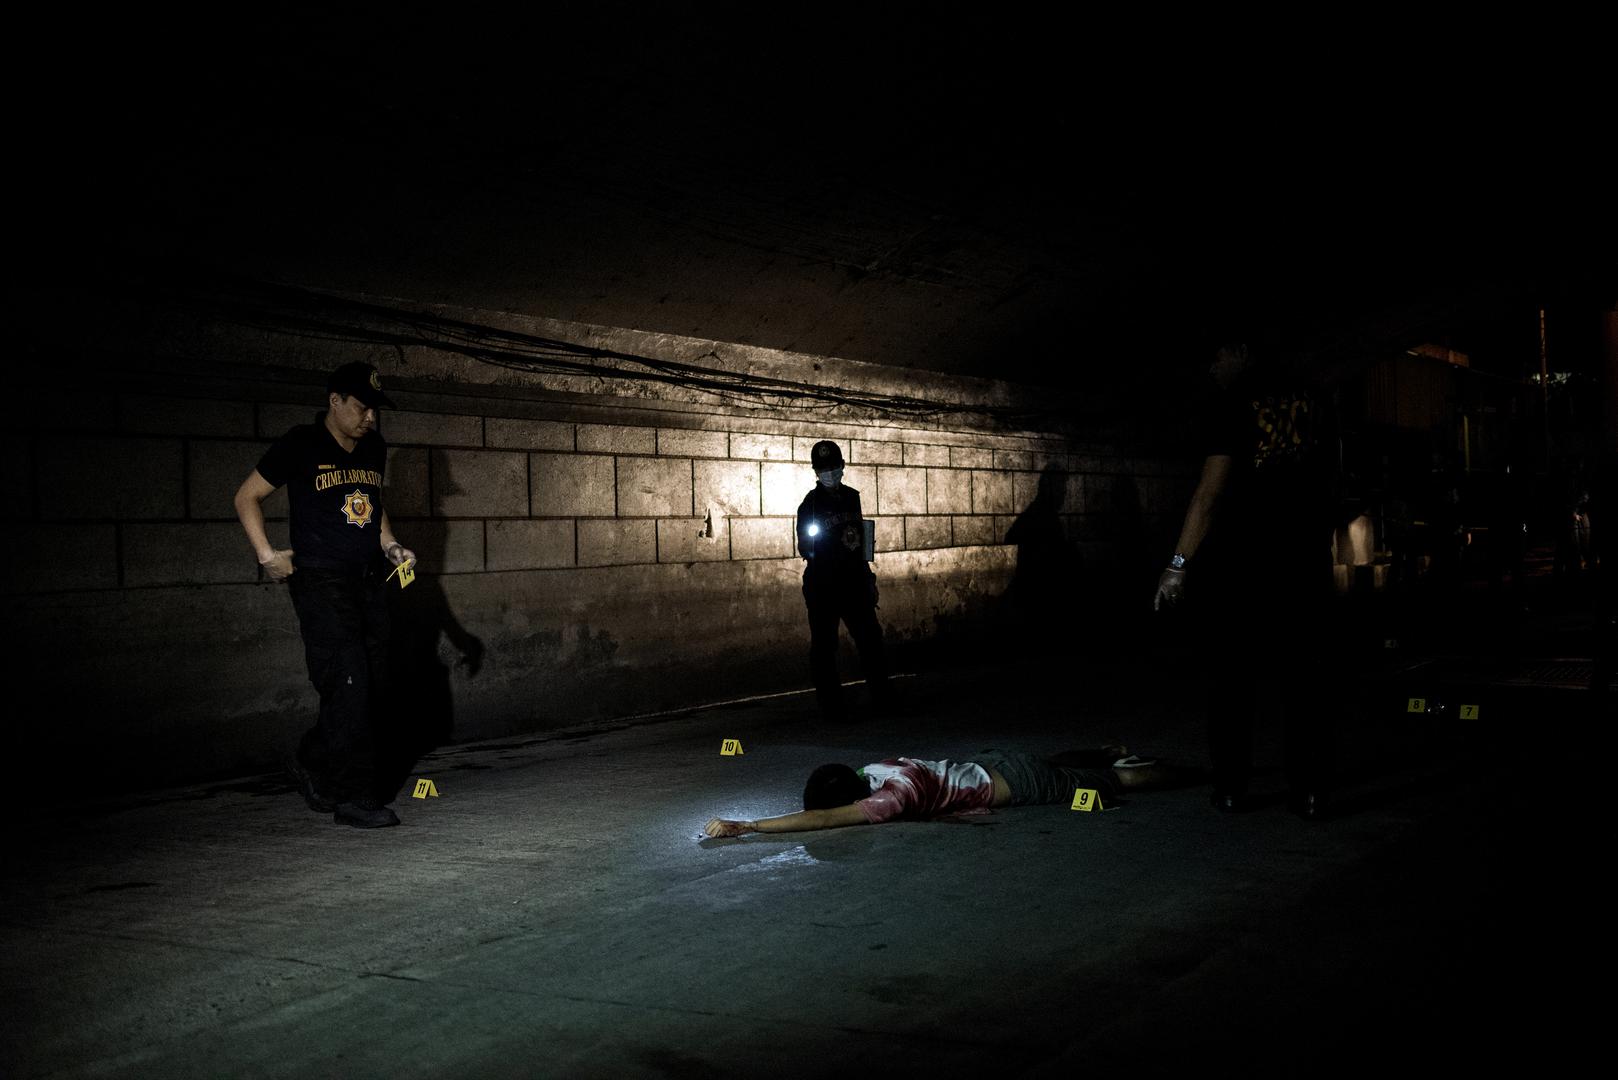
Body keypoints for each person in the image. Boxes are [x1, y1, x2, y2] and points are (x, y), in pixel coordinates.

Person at [1154, 342, 1341, 820]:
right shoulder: (1314, 399)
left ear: (1240, 354)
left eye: (1216, 357)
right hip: (1303, 563)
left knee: (1233, 680)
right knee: (1304, 681)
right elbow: (1335, 481)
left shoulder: (1232, 405)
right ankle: (1310, 792)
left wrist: (1178, 564)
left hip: (1243, 567)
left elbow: (1210, 494)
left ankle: (1233, 787)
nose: (1212, 367)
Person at [234, 362, 417, 828]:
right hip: (320, 582)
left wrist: (391, 545)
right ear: (334, 401)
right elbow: (246, 497)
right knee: (349, 680)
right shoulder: (300, 443)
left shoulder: (374, 447)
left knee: (371, 685)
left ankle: (312, 757)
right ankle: (353, 798)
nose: (370, 417)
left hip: (369, 578)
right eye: (361, 407)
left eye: (374, 409)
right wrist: (266, 555)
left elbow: (373, 509)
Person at [703, 747, 1182, 836]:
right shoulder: (876, 768)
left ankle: (1190, 774)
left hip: (1018, 784)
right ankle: (1110, 750)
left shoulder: (892, 798)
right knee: (1073, 763)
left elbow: (825, 819)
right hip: (996, 763)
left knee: (1121, 783)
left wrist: (748, 826)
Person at [796, 440, 891, 719]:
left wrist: (868, 577)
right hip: (823, 584)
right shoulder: (810, 505)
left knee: (870, 639)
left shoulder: (852, 497)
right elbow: (805, 547)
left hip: (854, 582)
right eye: (824, 469)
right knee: (825, 646)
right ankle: (831, 707)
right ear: (816, 472)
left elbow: (861, 540)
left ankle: (882, 697)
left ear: (842, 467)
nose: (830, 473)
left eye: (834, 467)